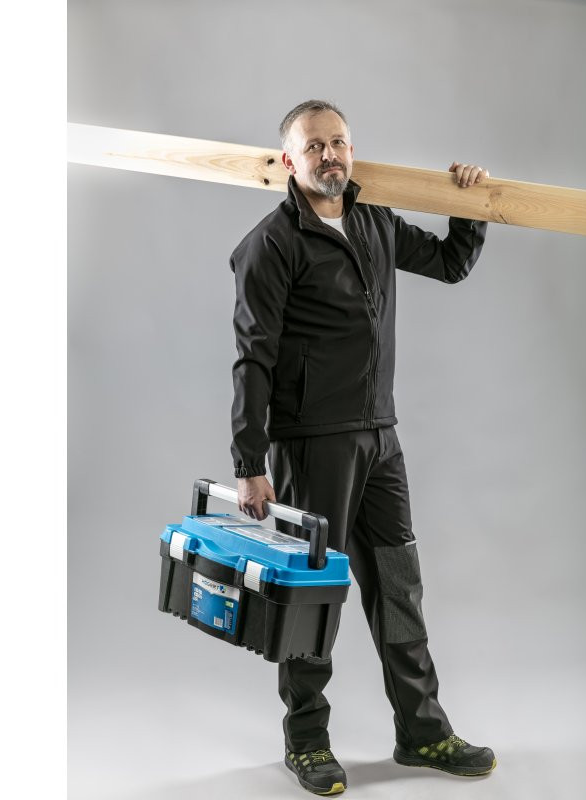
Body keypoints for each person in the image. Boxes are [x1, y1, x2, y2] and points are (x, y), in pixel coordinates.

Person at [229, 99, 495, 796]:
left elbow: (450, 263)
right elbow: (253, 359)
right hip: (312, 444)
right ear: (289, 160)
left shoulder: (375, 221)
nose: (329, 155)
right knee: (312, 594)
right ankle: (308, 742)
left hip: (381, 435)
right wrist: (250, 464)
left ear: (352, 149)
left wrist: (468, 205)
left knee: (398, 583)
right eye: (314, 146)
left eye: (338, 142)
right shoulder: (271, 245)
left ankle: (423, 730)